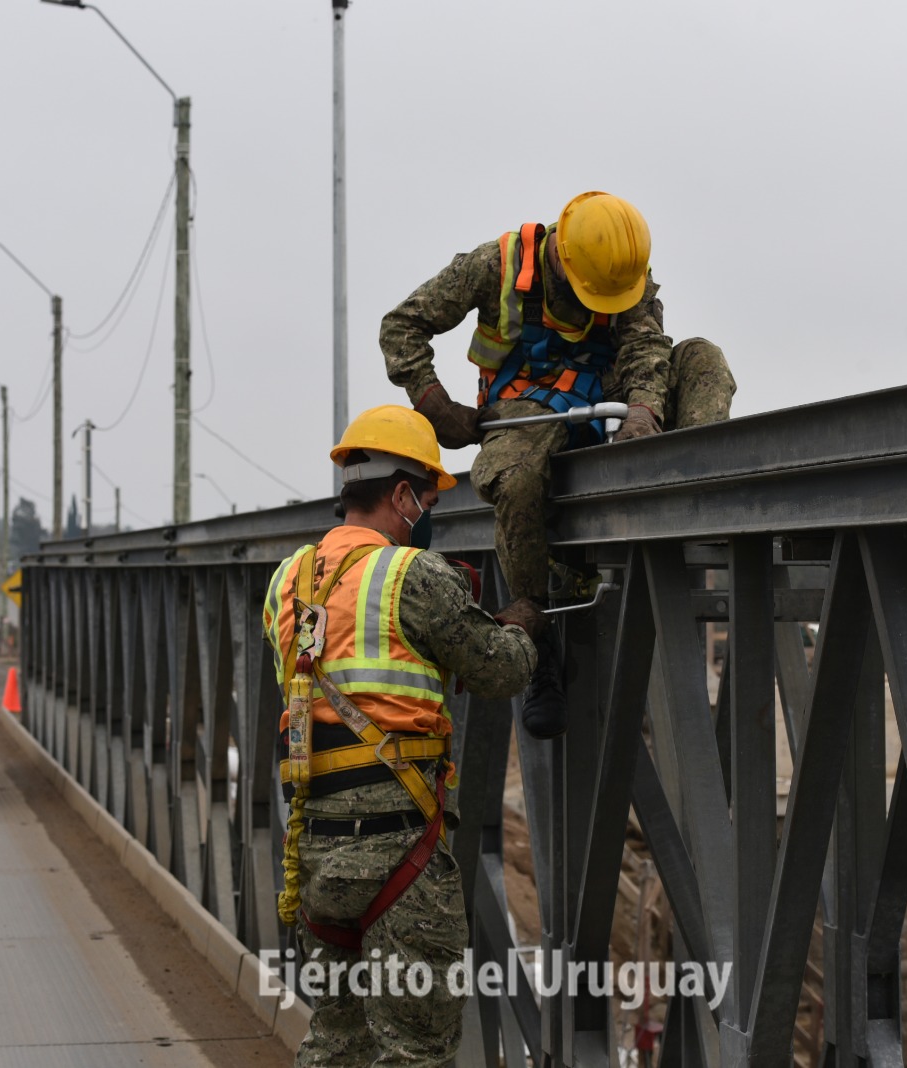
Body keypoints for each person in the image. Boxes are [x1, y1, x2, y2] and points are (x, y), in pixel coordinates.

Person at [379, 190, 737, 737]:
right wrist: (434, 403)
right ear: (565, 265)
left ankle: (687, 503)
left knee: (703, 358)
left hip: (609, 398)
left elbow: (646, 351)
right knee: (518, 478)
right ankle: (536, 637)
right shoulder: (496, 266)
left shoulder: (621, 274)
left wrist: (643, 413)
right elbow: (402, 325)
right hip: (527, 405)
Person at [262, 404, 545, 1067]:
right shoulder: (411, 576)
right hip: (401, 858)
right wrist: (525, 626)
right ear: (400, 495)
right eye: (427, 497)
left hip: (314, 853)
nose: (429, 511)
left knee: (336, 1045)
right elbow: (499, 670)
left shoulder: (286, 582)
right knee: (413, 1054)